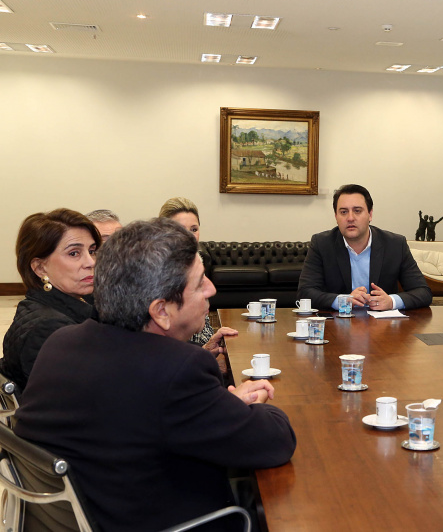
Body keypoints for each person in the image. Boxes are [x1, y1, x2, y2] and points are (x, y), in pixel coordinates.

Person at [14, 218, 296, 531]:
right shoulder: (175, 370)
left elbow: (141, 415)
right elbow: (275, 441)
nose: (212, 289)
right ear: (161, 311)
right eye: (199, 283)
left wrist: (218, 409)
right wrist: (243, 407)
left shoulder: (61, 342)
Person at [0, 209, 100, 391]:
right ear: (40, 268)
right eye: (74, 253)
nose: (91, 262)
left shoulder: (62, 303)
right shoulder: (49, 328)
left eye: (92, 251)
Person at [297, 184, 432, 310]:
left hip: (383, 324)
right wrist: (343, 300)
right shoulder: (322, 244)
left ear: (370, 214)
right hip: (338, 323)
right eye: (343, 212)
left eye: (357, 211)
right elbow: (305, 293)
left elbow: (423, 292)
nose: (350, 218)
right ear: (336, 216)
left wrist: (391, 301)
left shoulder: (395, 244)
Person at [159, 197, 236, 358]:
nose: (190, 236)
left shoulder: (197, 260)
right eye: (181, 230)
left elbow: (202, 325)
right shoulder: (157, 271)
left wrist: (208, 347)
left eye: (194, 229)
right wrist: (201, 355)